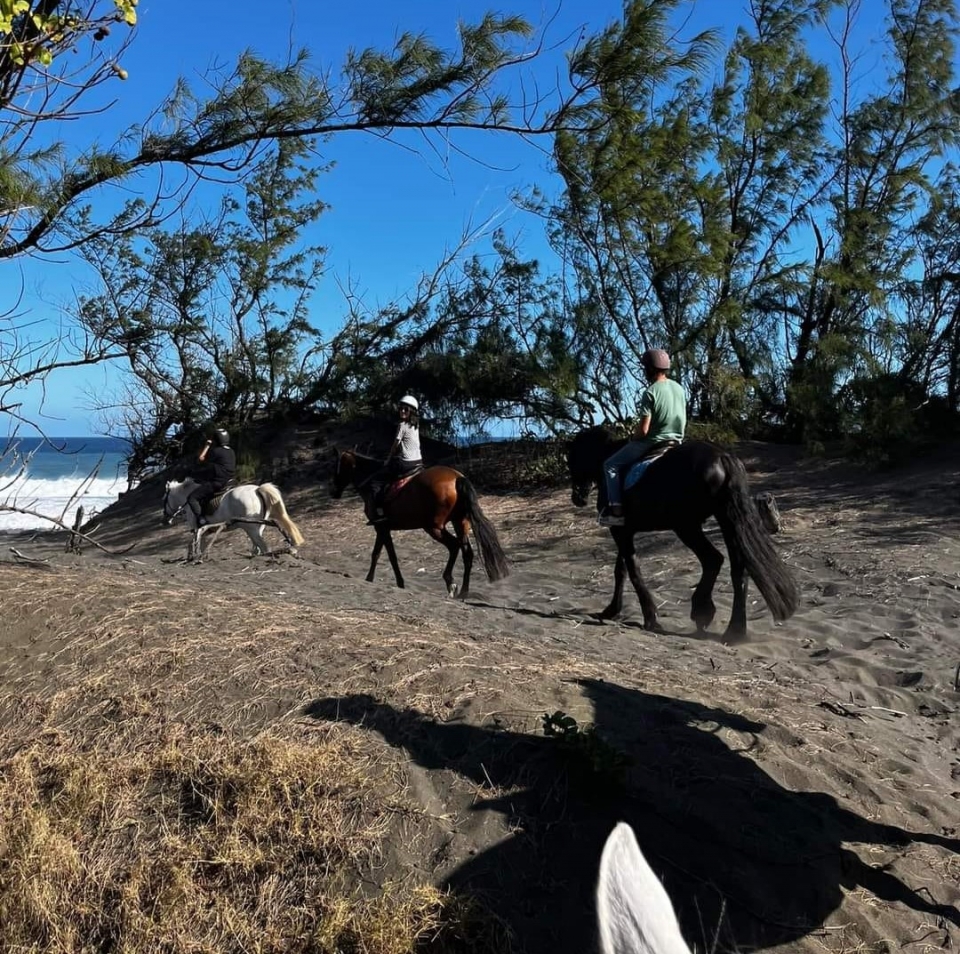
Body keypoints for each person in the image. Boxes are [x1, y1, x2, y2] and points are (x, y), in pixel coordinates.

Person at [599, 349, 686, 527]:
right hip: (677, 441)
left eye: (645, 367)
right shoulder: (678, 388)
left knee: (610, 465)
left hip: (653, 442)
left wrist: (633, 437)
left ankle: (616, 512)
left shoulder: (650, 392)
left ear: (650, 369)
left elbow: (644, 430)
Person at [370, 395, 422, 522]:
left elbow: (395, 446)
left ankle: (380, 511)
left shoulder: (402, 425)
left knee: (376, 481)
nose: (402, 411)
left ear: (412, 411)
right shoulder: (416, 425)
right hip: (418, 461)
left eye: (406, 409)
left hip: (406, 463)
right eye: (401, 409)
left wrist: (388, 459)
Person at [186, 427, 237, 527]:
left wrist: (207, 446)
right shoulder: (231, 451)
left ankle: (201, 520)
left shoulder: (216, 451)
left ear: (216, 440)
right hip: (230, 480)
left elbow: (201, 459)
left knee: (192, 498)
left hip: (218, 482)